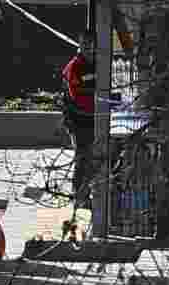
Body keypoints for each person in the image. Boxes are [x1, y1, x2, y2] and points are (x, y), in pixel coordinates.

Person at [62, 31, 96, 208]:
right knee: (83, 157)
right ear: (80, 46)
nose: (90, 49)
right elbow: (77, 98)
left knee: (93, 158)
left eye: (93, 45)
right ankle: (79, 196)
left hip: (94, 119)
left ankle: (86, 194)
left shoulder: (99, 65)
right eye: (86, 45)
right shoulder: (74, 67)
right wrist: (99, 100)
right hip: (78, 121)